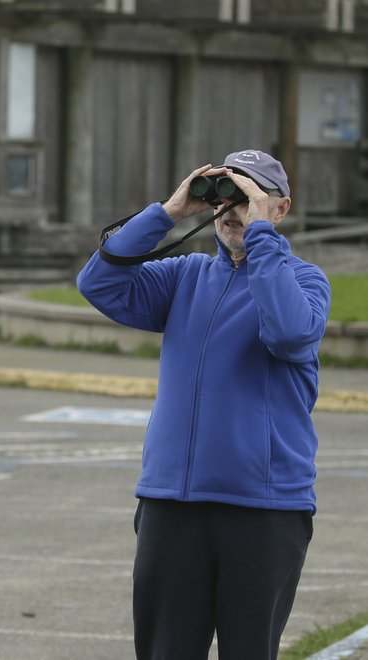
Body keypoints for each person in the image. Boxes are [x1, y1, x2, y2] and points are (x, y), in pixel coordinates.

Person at [76, 149, 331, 660]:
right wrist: (168, 213)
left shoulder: (305, 281)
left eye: (251, 198)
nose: (234, 209)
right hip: (172, 504)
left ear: (281, 209)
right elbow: (98, 283)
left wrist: (259, 238)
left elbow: (286, 332)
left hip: (264, 509)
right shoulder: (185, 276)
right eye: (227, 196)